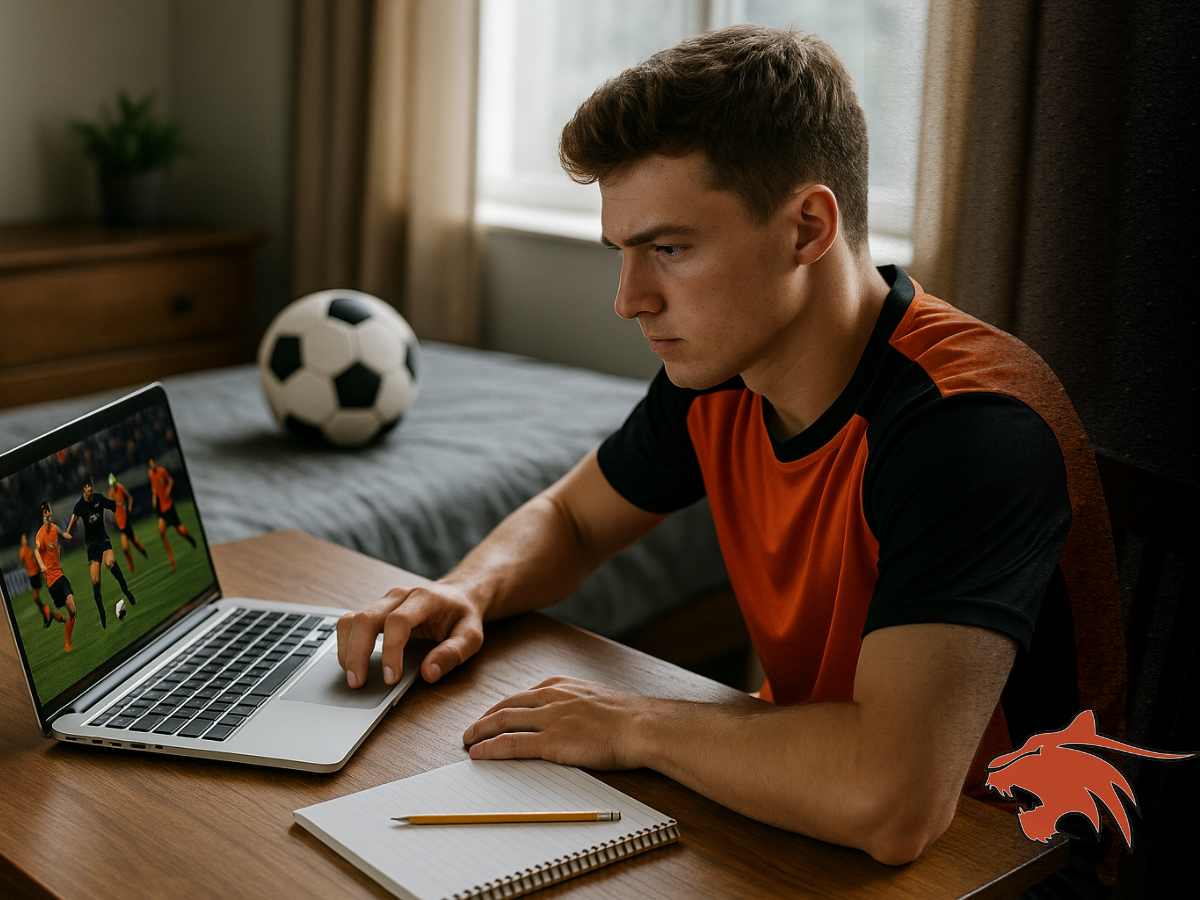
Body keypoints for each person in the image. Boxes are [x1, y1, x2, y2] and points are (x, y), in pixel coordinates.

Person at [336, 25, 1124, 895]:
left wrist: (633, 724)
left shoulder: (970, 428)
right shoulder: (720, 378)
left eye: (669, 249)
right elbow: (570, 518)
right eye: (623, 253)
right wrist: (469, 588)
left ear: (808, 227)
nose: (629, 300)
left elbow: (893, 802)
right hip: (805, 814)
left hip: (997, 863)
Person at [67, 476, 137, 628]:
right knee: (96, 582)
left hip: (103, 539)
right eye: (86, 487)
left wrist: (120, 507)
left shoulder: (98, 499)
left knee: (110, 562)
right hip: (92, 546)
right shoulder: (79, 506)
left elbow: (113, 505)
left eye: (90, 486)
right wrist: (67, 534)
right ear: (83, 488)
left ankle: (126, 591)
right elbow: (72, 523)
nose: (90, 489)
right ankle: (102, 614)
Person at [35, 503, 77, 653]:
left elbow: (60, 532)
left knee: (73, 611)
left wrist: (66, 535)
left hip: (60, 576)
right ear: (42, 514)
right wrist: (41, 565)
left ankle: (67, 642)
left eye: (49, 510)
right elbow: (36, 551)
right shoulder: (40, 535)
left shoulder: (54, 527)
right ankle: (54, 615)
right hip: (52, 582)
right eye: (45, 511)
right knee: (65, 612)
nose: (48, 513)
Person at [147, 457, 196, 572]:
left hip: (169, 506)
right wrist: (154, 498)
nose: (151, 467)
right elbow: (154, 487)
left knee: (180, 530)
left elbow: (171, 481)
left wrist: (168, 488)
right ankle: (172, 563)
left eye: (152, 464)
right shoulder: (151, 474)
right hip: (161, 509)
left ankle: (190, 539)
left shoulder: (162, 471)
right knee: (162, 533)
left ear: (156, 464)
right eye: (150, 465)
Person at [107, 472, 148, 572]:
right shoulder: (111, 493)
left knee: (132, 542)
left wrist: (129, 506)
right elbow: (113, 507)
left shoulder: (120, 488)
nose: (114, 486)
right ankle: (132, 567)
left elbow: (129, 498)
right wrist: (113, 517)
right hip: (120, 522)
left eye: (114, 484)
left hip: (124, 520)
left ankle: (143, 552)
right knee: (126, 547)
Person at [19, 532, 61, 628]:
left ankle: (48, 613)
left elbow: (35, 560)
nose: (25, 541)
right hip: (32, 575)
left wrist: (40, 571)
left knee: (36, 598)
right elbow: (21, 562)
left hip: (36, 574)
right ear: (21, 542)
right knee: (36, 599)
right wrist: (25, 569)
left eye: (25, 539)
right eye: (24, 539)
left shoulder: (30, 550)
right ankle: (47, 614)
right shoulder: (22, 552)